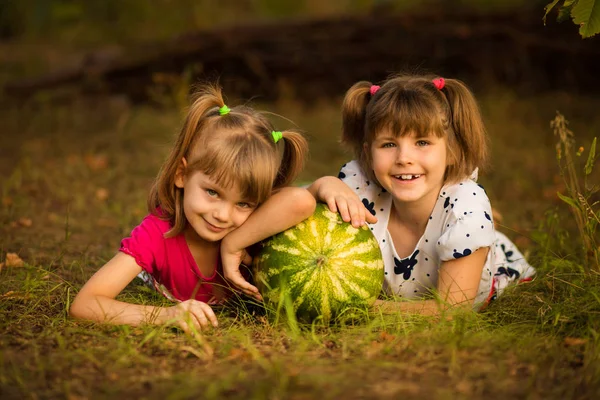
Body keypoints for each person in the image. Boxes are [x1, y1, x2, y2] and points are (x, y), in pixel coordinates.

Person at [69, 83, 316, 332]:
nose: (222, 214)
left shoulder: (256, 221)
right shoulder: (158, 234)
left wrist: (233, 244)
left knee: (315, 189)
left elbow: (301, 201)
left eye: (243, 203)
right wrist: (166, 315)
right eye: (212, 192)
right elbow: (85, 304)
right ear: (181, 174)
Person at [308, 74, 535, 314]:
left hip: (476, 272)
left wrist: (363, 307)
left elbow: (452, 309)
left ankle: (488, 235)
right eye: (388, 144)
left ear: (452, 152)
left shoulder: (465, 210)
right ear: (368, 154)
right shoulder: (360, 188)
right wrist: (321, 186)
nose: (404, 158)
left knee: (464, 228)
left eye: (422, 142)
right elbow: (292, 210)